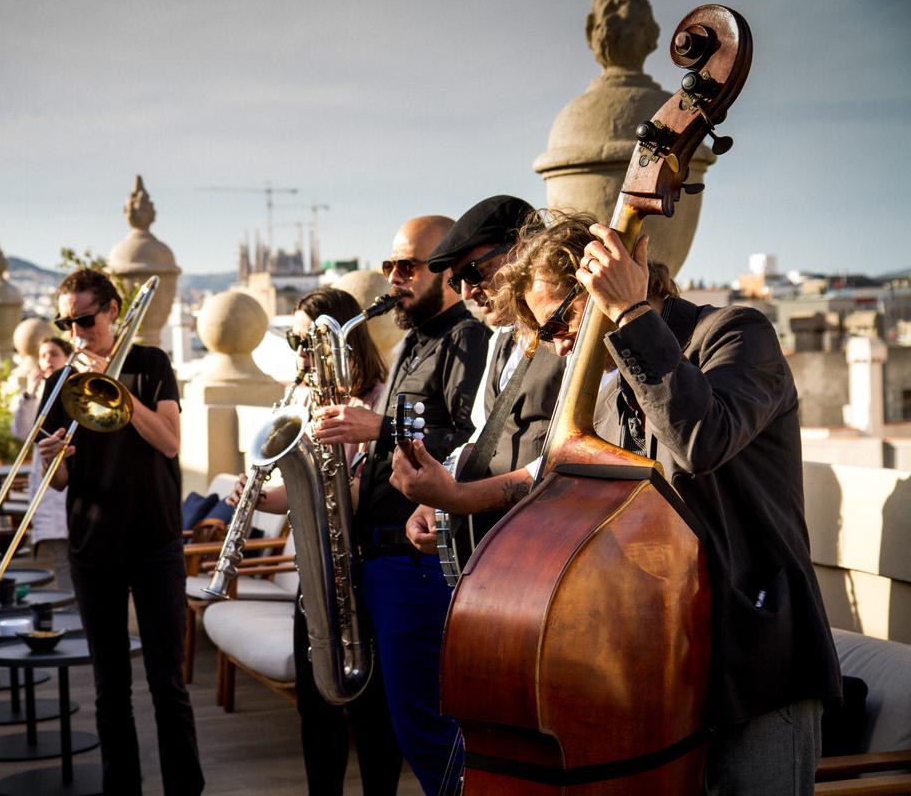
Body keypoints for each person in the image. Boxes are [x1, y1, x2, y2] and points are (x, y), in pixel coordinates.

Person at [391, 211, 843, 795]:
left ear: (610, 282)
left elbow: (700, 439)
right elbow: (557, 483)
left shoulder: (736, 334)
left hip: (756, 656)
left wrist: (629, 315)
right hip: (666, 663)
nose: (557, 346)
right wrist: (454, 501)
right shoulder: (614, 391)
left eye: (559, 321)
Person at [310, 215, 490, 795]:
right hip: (383, 560)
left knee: (428, 731)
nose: (393, 278)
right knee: (400, 726)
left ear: (444, 268)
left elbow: (472, 442)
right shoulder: (414, 339)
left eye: (407, 266)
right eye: (389, 265)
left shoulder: (466, 337)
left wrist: (378, 426)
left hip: (417, 564)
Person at [227, 287, 401, 795]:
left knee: (373, 717)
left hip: (365, 565)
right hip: (318, 569)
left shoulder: (379, 397)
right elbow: (299, 490)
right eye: (294, 338)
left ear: (337, 341)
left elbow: (365, 487)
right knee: (316, 711)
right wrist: (259, 495)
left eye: (308, 339)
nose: (301, 350)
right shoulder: (304, 398)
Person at [37, 269, 202, 796]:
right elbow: (61, 482)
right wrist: (49, 462)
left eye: (84, 319)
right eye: (67, 322)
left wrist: (120, 394)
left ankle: (184, 787)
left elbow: (172, 443)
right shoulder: (57, 382)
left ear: (112, 311)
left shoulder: (151, 364)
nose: (76, 332)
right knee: (110, 688)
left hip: (154, 540)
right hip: (92, 544)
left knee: (167, 681)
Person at [400, 196, 565, 572]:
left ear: (523, 251)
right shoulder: (500, 341)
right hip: (502, 551)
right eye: (457, 281)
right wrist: (435, 498)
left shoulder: (569, 339)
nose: (466, 293)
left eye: (474, 272)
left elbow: (569, 460)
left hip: (553, 549)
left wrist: (459, 497)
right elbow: (481, 438)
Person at [10, 335, 73, 591]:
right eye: (43, 355)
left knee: (69, 559)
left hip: (64, 490)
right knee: (61, 559)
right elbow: (22, 434)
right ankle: (71, 609)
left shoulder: (71, 393)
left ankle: (74, 612)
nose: (47, 360)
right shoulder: (36, 397)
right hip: (47, 490)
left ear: (68, 358)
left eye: (54, 354)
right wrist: (30, 393)